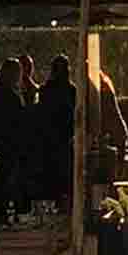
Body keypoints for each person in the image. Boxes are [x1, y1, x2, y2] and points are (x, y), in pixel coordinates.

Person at [0, 57, 32, 224]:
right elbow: (15, 116)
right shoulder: (6, 93)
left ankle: (2, 208)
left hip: (6, 139)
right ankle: (2, 208)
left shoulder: (1, 91)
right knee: (7, 174)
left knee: (6, 174)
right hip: (9, 140)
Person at [35, 53, 77, 205]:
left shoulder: (46, 89)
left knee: (52, 169)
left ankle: (55, 199)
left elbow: (41, 112)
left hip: (49, 136)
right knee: (65, 169)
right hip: (66, 135)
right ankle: (64, 199)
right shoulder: (71, 89)